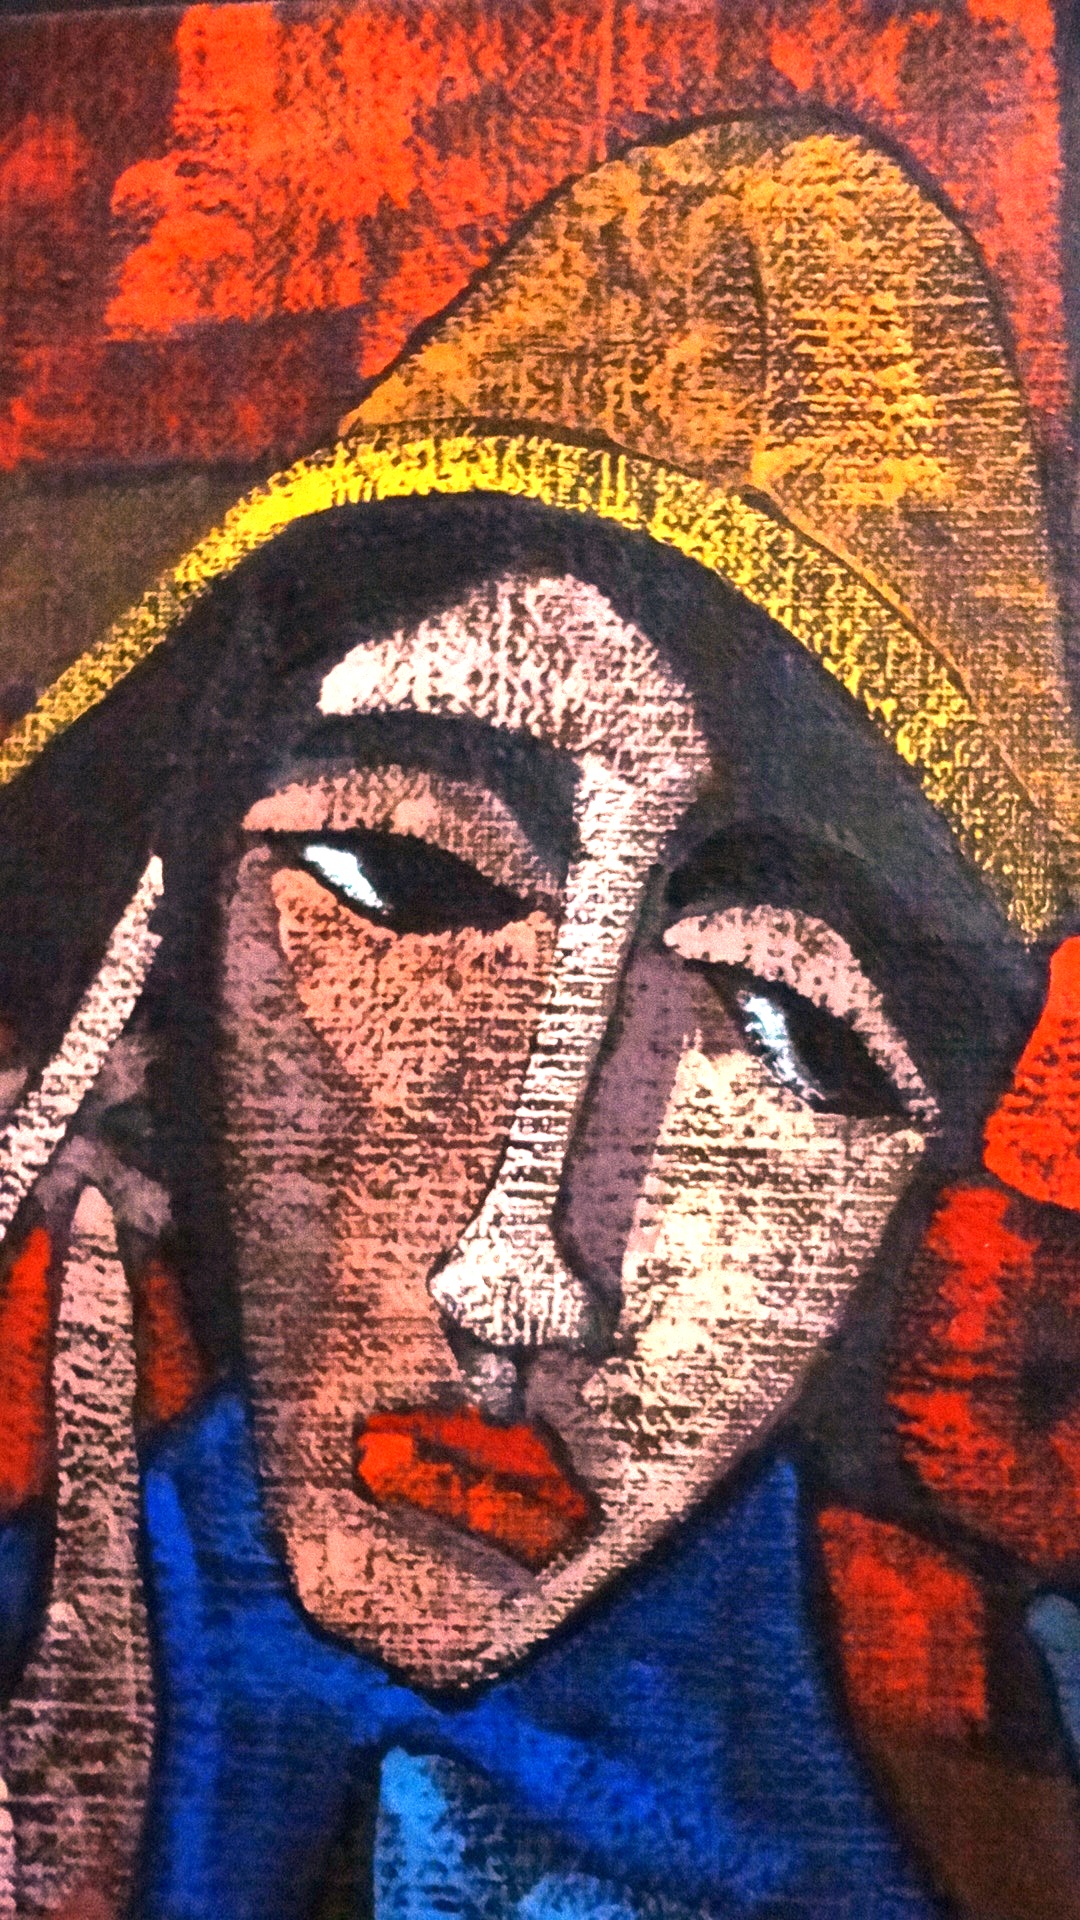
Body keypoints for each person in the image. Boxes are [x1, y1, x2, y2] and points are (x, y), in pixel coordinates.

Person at [0, 111, 1079, 1918]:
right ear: (157, 959)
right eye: (406, 883)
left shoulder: (985, 1787)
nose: (522, 1278)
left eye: (795, 1031)